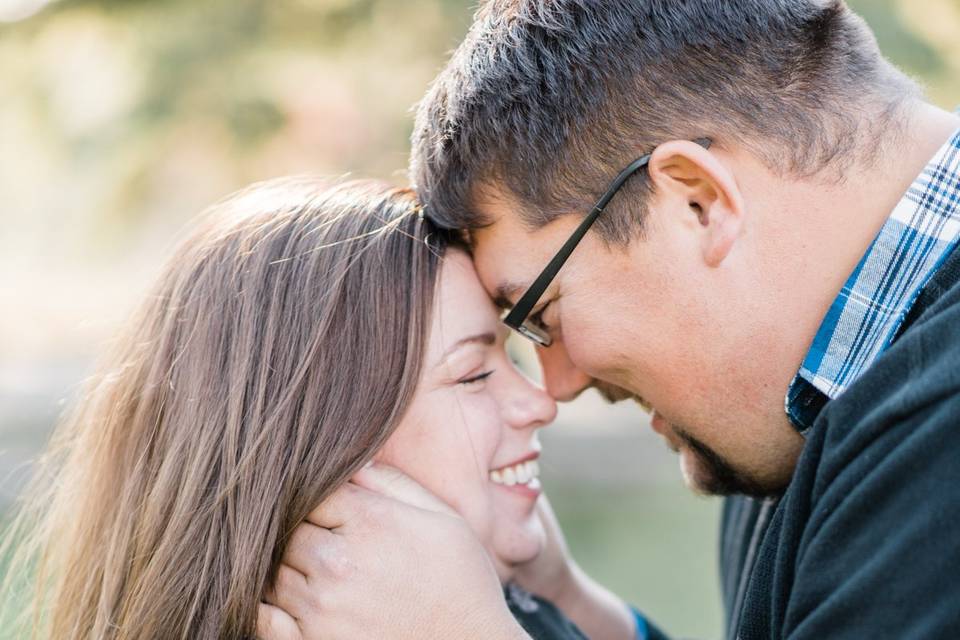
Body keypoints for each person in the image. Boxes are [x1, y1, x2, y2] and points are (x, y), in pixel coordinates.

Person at [257, 1, 960, 638]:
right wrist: (571, 606)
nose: (554, 387)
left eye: (541, 311)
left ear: (696, 203)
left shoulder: (937, 433)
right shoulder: (797, 410)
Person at [0, 178, 595, 639]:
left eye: (511, 357)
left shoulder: (511, 610)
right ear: (329, 444)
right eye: (473, 374)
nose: (539, 401)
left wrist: (559, 600)